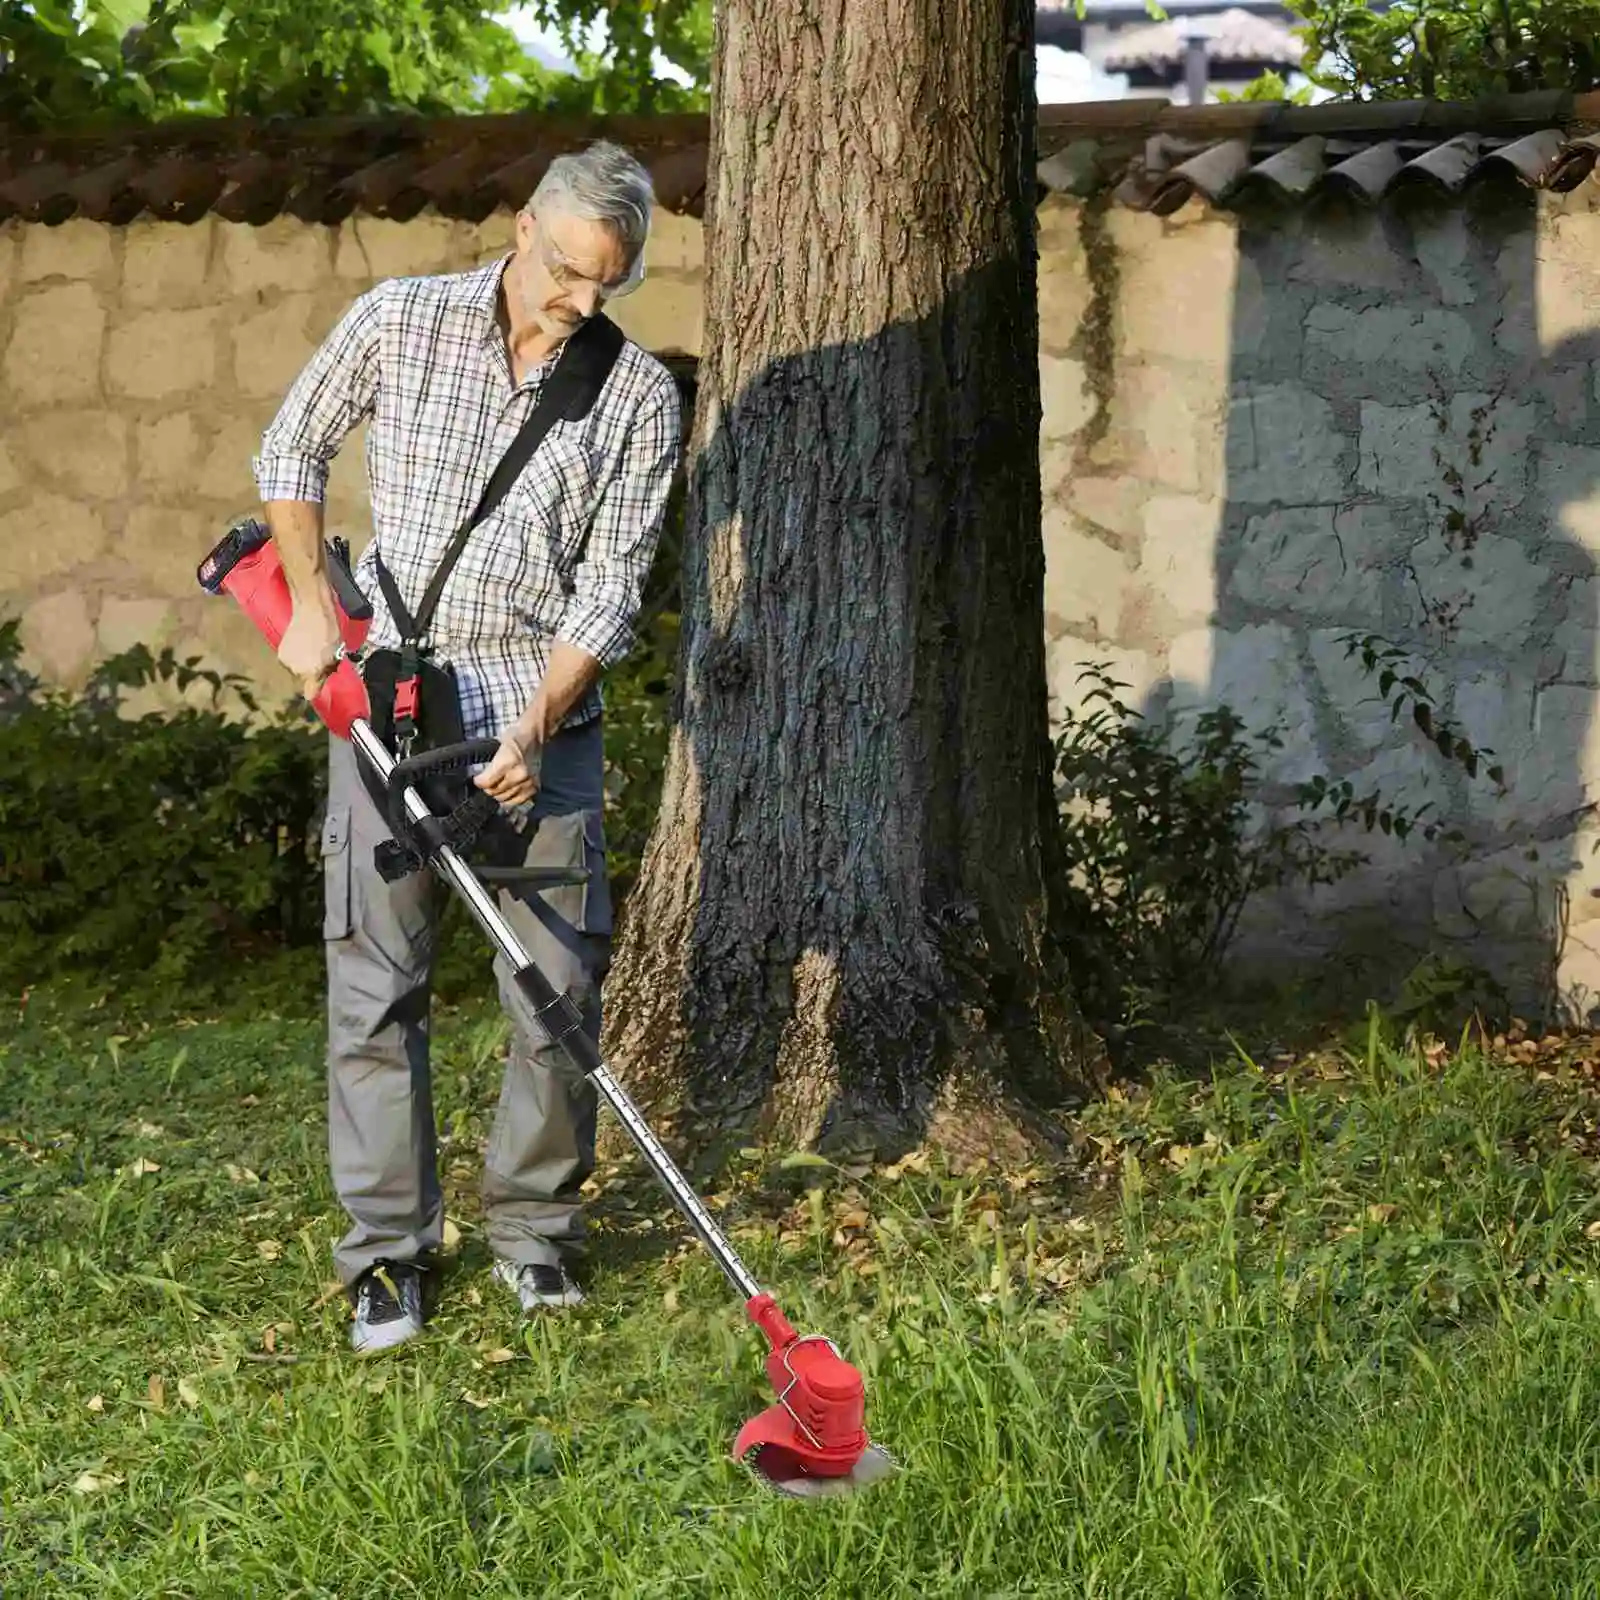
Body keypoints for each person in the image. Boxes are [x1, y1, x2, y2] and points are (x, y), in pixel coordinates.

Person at [253, 140, 683, 1354]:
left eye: (608, 284)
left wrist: (537, 728)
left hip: (541, 717)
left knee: (555, 991)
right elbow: (289, 450)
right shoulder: (402, 317)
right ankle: (387, 1255)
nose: (580, 302)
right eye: (567, 273)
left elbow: (609, 593)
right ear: (523, 228)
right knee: (375, 991)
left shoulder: (637, 395)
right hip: (390, 710)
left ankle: (534, 1232)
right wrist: (308, 612)